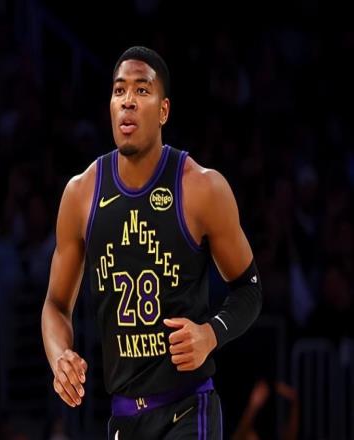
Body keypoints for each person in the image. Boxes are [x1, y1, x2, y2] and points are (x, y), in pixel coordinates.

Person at [41, 46, 262, 439]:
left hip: (188, 406)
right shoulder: (81, 194)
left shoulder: (202, 187)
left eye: (142, 90)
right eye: (119, 90)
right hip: (124, 415)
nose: (128, 100)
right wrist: (60, 356)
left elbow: (250, 289)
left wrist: (211, 333)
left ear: (163, 111)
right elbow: (56, 305)